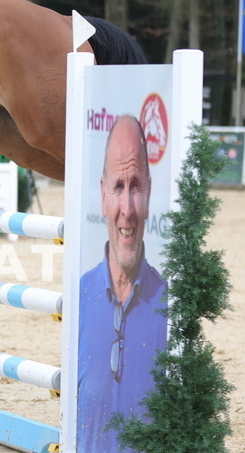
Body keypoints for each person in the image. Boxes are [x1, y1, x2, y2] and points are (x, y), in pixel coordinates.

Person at [77, 114, 167, 452]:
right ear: (102, 195)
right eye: (118, 187)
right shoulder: (77, 297)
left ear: (149, 194)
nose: (127, 209)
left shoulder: (172, 305)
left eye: (136, 187)